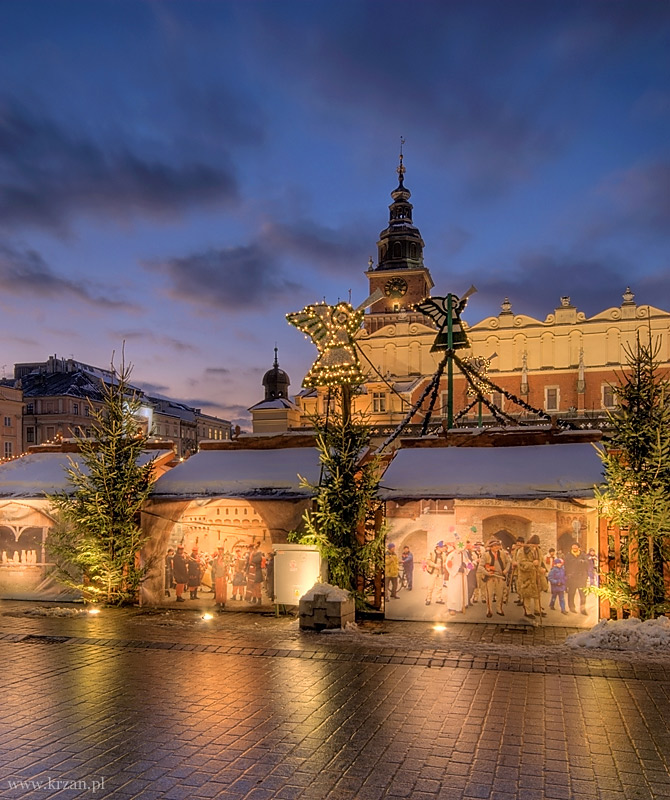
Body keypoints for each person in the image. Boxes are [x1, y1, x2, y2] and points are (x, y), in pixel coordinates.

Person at [516, 534, 548, 619]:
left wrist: (542, 569)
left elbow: (541, 562)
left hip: (537, 575)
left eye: (537, 545)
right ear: (530, 543)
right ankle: (527, 611)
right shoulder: (523, 550)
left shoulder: (538, 551)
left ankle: (538, 610)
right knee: (527, 594)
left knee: (537, 593)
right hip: (527, 576)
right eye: (533, 545)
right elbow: (521, 563)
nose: (535, 546)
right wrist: (532, 564)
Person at [478, 539, 511, 618]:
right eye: (495, 546)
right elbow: (480, 566)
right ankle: (489, 610)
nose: (497, 547)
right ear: (491, 547)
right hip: (490, 578)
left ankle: (499, 609)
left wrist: (506, 570)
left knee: (500, 594)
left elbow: (508, 562)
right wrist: (487, 573)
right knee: (489, 594)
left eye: (498, 545)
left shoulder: (503, 553)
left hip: (500, 577)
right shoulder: (485, 555)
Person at [444, 543, 472, 615]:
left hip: (463, 575)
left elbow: (470, 564)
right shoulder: (452, 555)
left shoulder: (464, 555)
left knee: (462, 591)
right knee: (454, 592)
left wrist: (465, 565)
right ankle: (452, 608)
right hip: (455, 577)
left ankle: (461, 606)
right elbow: (448, 564)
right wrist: (457, 569)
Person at [564, 542, 590, 615]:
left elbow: (588, 563)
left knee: (583, 594)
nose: (574, 549)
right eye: (573, 548)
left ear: (579, 548)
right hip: (572, 578)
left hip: (581, 578)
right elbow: (566, 566)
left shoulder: (582, 555)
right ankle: (572, 607)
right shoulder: (568, 556)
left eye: (576, 548)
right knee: (571, 593)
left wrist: (582, 562)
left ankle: (583, 609)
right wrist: (567, 575)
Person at [425, 541, 445, 606]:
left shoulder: (443, 554)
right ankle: (428, 599)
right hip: (433, 572)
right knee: (431, 586)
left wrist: (444, 565)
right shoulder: (431, 553)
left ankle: (438, 599)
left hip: (440, 572)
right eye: (442, 547)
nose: (443, 548)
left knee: (439, 587)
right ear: (438, 547)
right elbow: (427, 561)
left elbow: (446, 561)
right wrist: (435, 565)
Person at [210, 545, 229, 611]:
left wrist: (226, 572)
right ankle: (218, 602)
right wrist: (215, 571)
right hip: (218, 576)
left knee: (223, 590)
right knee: (218, 589)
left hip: (223, 576)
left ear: (223, 551)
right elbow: (213, 567)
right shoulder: (215, 559)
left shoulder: (226, 559)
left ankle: (223, 602)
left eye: (222, 550)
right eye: (219, 550)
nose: (220, 552)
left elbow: (228, 567)